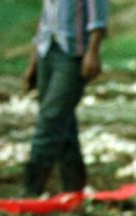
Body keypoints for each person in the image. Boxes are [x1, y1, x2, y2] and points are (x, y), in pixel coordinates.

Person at [21, 0, 109, 196]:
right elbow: (46, 17)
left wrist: (93, 52)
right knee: (64, 122)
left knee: (51, 118)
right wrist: (34, 62)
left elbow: (98, 18)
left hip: (73, 53)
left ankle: (30, 190)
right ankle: (74, 187)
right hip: (47, 51)